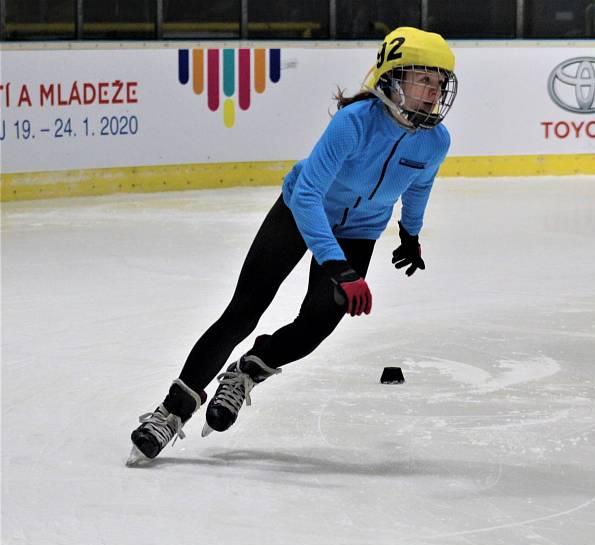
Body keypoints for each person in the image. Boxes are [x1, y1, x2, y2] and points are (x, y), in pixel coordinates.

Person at [127, 26, 458, 464]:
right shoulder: (353, 124)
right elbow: (307, 197)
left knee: (319, 324)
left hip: (359, 229)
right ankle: (171, 412)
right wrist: (337, 266)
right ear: (393, 79)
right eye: (424, 80)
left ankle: (249, 370)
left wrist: (410, 234)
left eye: (439, 84)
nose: (433, 93)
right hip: (300, 212)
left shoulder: (436, 140)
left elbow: (419, 186)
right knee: (244, 311)